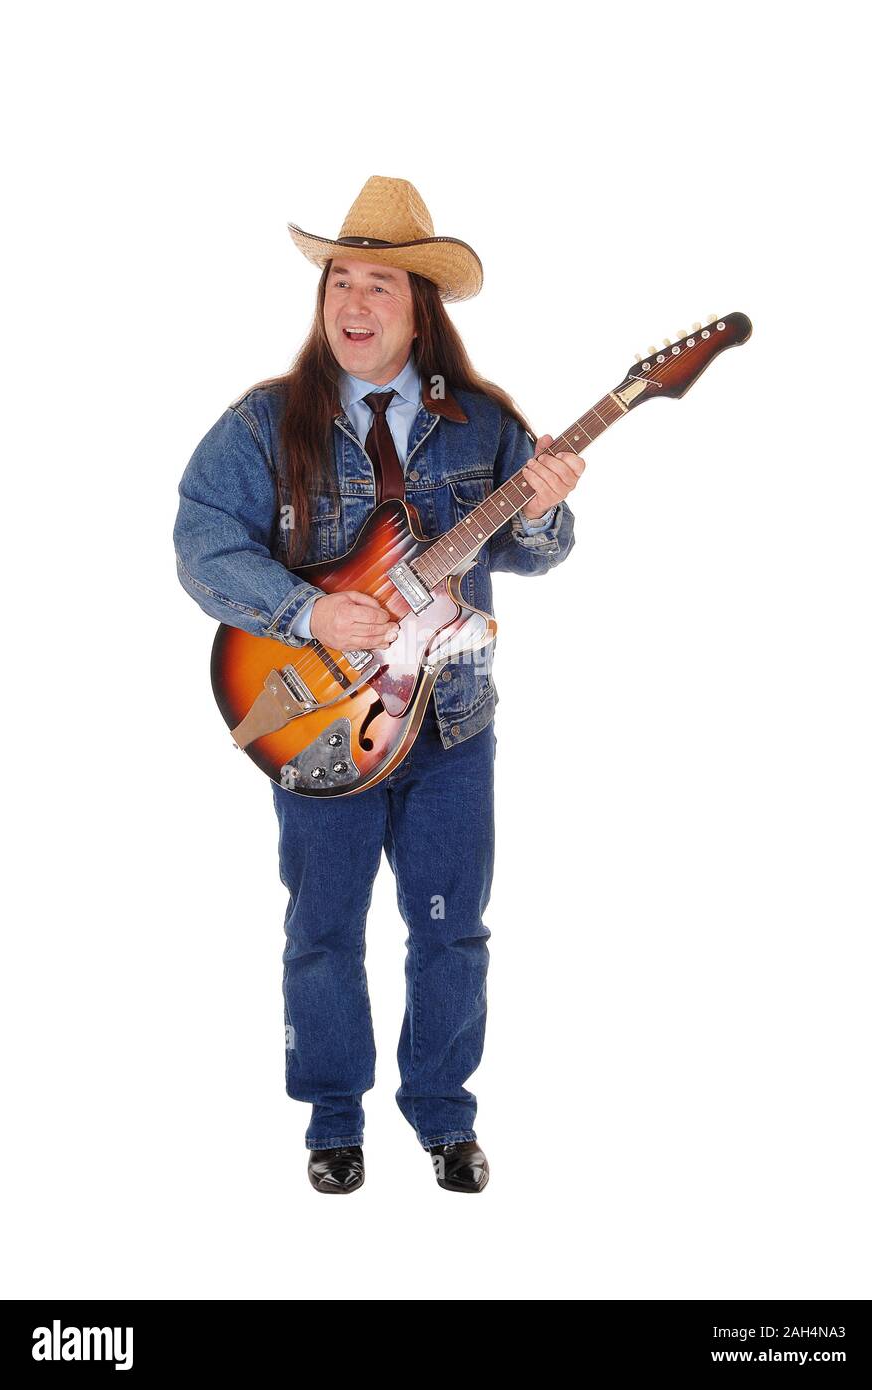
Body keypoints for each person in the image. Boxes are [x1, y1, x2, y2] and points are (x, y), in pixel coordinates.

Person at [173, 175, 583, 1194]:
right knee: (323, 929)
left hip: (450, 726)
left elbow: (533, 554)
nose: (353, 306)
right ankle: (331, 1118)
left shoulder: (480, 419)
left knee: (450, 925)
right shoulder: (268, 423)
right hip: (323, 725)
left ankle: (443, 1114)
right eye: (338, 283)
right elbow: (199, 540)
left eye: (379, 287)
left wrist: (539, 508)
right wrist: (306, 612)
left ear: (419, 308)